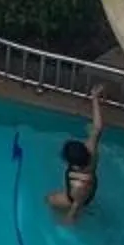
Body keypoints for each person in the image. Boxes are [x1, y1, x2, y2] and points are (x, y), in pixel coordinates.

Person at [46, 89, 108, 224]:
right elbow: (98, 127)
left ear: (74, 165)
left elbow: (76, 203)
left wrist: (69, 219)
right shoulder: (91, 151)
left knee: (49, 201)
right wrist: (94, 98)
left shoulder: (79, 185)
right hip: (89, 186)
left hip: (76, 197)